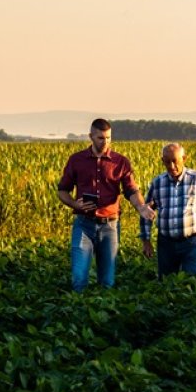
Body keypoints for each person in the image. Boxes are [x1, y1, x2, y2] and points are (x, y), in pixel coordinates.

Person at [57, 119, 156, 292]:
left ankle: (103, 312)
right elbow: (62, 190)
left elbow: (131, 190)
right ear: (91, 137)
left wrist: (141, 207)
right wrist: (75, 204)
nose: (105, 142)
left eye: (109, 138)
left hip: (110, 226)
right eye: (101, 138)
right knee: (79, 278)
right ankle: (78, 311)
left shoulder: (120, 162)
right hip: (83, 224)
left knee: (107, 281)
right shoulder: (76, 160)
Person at [140, 142, 196, 277]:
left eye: (175, 161)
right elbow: (146, 212)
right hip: (166, 243)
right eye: (167, 162)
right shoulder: (157, 182)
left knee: (191, 280)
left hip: (193, 241)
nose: (171, 166)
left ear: (184, 159)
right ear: (162, 161)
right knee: (167, 283)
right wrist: (146, 240)